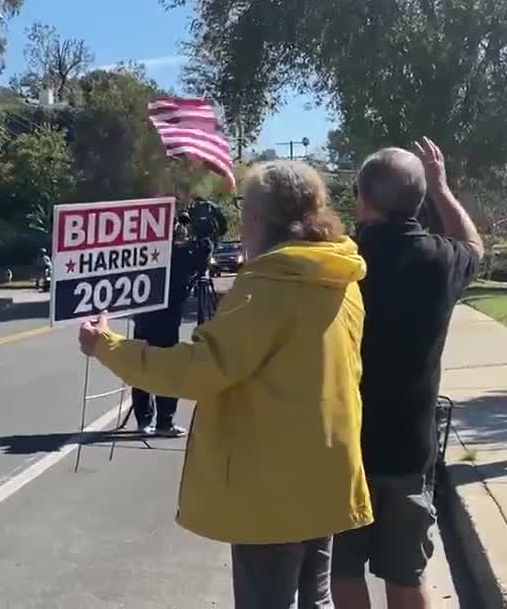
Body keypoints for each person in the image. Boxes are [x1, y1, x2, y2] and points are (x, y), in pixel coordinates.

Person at [79, 161, 373, 609]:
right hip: (327, 467)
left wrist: (108, 347)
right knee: (317, 597)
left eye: (243, 211)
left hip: (272, 483)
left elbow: (200, 369)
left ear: (258, 219)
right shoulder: (339, 274)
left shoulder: (268, 286)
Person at [331, 139, 484, 609]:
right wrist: (442, 188)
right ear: (419, 201)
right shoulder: (442, 262)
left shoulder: (340, 263)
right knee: (406, 572)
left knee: (343, 569)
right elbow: (475, 246)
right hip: (409, 447)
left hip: (344, 445)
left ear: (362, 199)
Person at [128, 237, 194, 437]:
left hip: (145, 318)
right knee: (166, 369)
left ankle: (144, 420)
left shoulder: (139, 249)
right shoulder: (178, 253)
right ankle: (164, 422)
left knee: (142, 366)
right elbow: (195, 266)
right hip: (164, 321)